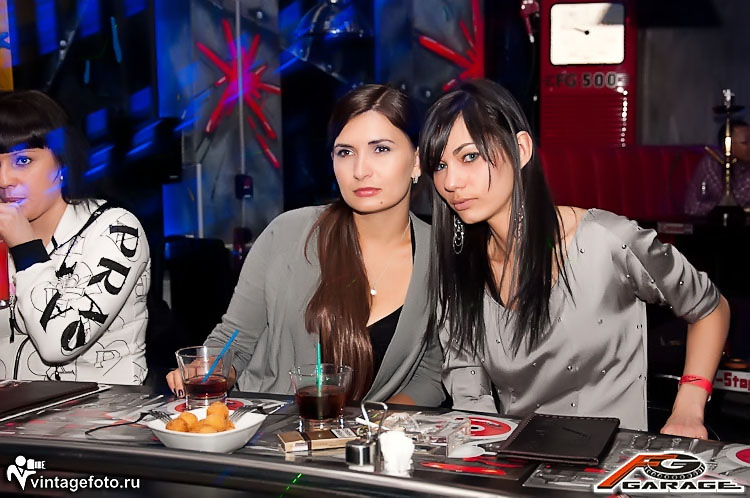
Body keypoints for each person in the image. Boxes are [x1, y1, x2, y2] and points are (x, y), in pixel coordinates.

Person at [420, 79, 729, 436]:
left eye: (469, 156)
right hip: (515, 460)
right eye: (439, 165)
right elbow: (468, 387)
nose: (451, 182)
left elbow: (710, 307)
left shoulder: (605, 240)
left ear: (520, 149)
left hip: (613, 459)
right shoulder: (459, 266)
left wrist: (688, 409)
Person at [167, 85, 444, 404]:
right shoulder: (289, 234)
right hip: (270, 428)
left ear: (417, 161)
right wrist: (209, 370)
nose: (360, 170)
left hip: (369, 434)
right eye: (345, 152)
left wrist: (380, 423)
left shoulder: (440, 257)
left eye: (380, 149)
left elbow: (431, 372)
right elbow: (236, 340)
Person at [0, 90, 151, 384]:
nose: (4, 180)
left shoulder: (115, 229)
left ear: (62, 162)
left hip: (102, 411)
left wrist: (26, 248)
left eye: (23, 160)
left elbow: (60, 343)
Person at [684, 119, 750, 216]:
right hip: (700, 219)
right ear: (727, 145)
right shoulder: (712, 162)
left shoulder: (744, 164)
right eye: (745, 143)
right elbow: (731, 201)